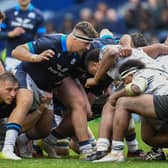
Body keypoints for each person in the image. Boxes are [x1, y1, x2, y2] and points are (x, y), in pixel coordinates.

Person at [0, 21, 98, 160]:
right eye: (86, 43)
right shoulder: (51, 42)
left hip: (47, 87)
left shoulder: (79, 53)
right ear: (75, 39)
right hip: (28, 75)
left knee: (44, 130)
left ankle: (24, 140)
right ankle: (7, 148)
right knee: (26, 100)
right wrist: (35, 57)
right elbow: (16, 51)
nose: (88, 48)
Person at [93, 59, 168, 162]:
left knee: (123, 102)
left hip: (165, 100)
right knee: (148, 137)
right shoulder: (157, 73)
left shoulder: (141, 73)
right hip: (161, 102)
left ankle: (116, 152)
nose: (124, 84)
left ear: (130, 74)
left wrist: (115, 95)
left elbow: (136, 89)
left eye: (124, 80)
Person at [0, 0, 46, 70]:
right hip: (11, 57)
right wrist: (10, 34)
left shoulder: (39, 15)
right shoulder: (7, 13)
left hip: (28, 57)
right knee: (10, 79)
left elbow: (42, 38)